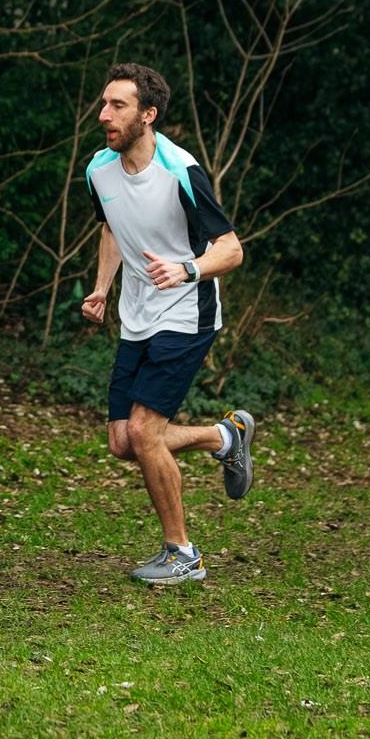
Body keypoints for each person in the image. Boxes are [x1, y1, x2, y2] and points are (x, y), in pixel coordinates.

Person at [81, 63, 253, 585]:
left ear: (148, 115)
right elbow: (112, 227)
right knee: (120, 441)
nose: (104, 115)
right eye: (104, 103)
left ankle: (183, 553)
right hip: (136, 313)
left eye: (118, 106)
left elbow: (232, 249)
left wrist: (186, 269)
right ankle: (223, 437)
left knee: (144, 432)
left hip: (187, 312)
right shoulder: (98, 170)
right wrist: (103, 288)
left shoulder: (181, 171)